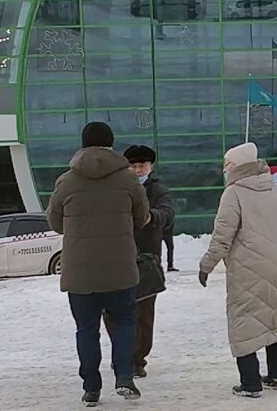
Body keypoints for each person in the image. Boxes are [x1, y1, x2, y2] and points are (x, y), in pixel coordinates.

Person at [48, 121, 150, 405]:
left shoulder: (66, 181)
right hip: (120, 267)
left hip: (80, 272)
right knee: (125, 320)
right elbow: (141, 218)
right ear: (111, 143)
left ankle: (91, 387)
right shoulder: (128, 180)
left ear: (83, 144)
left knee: (86, 329)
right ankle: (125, 377)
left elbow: (55, 222)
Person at [199, 142, 277, 399]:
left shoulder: (234, 194)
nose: (224, 170)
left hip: (248, 267)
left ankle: (250, 383)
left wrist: (206, 265)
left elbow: (222, 236)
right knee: (275, 315)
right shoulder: (274, 187)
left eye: (227, 165)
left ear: (235, 167)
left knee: (244, 320)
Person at [107, 145, 175, 378]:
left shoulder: (158, 189)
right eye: (133, 166)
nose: (137, 170)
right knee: (114, 311)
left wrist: (152, 217)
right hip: (118, 257)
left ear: (150, 166)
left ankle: (137, 359)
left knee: (144, 314)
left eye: (142, 166)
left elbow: (168, 213)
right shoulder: (117, 187)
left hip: (146, 259)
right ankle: (121, 357)